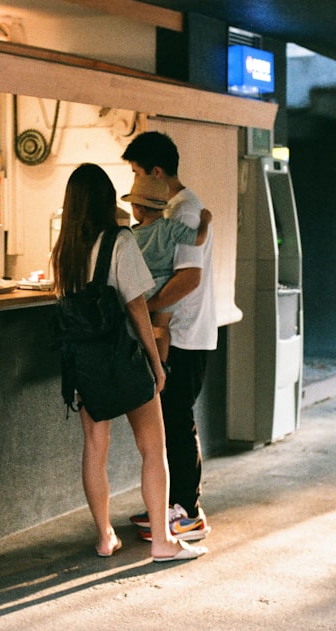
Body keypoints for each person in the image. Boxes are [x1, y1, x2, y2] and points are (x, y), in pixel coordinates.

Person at [51, 162, 207, 563]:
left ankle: (104, 537)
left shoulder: (64, 250)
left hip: (85, 363)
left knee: (94, 448)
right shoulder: (119, 241)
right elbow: (137, 306)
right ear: (107, 201)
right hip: (124, 359)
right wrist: (156, 365)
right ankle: (161, 542)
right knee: (153, 450)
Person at [122, 131, 216, 543]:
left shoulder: (184, 212)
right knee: (169, 418)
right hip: (177, 331)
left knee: (177, 420)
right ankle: (170, 503)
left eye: (137, 172)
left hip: (184, 333)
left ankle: (187, 511)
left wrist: (151, 309)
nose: (135, 181)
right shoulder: (175, 211)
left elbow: (189, 278)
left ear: (155, 172)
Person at [121, 173, 212, 363]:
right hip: (163, 285)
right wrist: (205, 221)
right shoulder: (170, 228)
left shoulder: (132, 234)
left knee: (140, 329)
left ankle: (144, 363)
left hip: (142, 286)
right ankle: (160, 366)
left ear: (138, 208)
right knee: (160, 328)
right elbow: (199, 239)